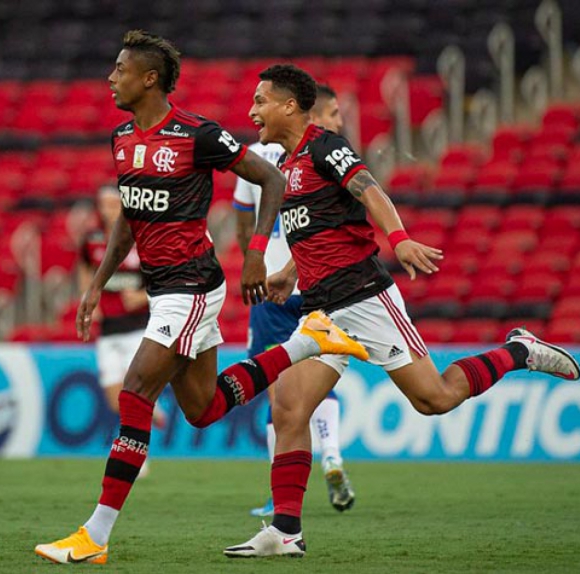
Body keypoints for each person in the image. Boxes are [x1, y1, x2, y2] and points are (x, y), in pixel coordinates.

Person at [35, 33, 368, 565]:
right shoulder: (122, 137)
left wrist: (256, 253)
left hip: (190, 285)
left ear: (149, 79)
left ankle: (95, 535)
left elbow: (272, 178)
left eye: (120, 69)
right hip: (164, 287)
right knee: (203, 408)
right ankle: (307, 344)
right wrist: (96, 284)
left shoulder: (197, 134)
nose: (111, 78)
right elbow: (130, 216)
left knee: (135, 392)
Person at [224, 64, 580, 559]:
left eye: (260, 101)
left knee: (434, 399)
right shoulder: (285, 163)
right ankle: (286, 531)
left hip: (365, 299)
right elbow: (320, 231)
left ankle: (519, 351)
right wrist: (289, 273)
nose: (252, 111)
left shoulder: (325, 146)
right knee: (288, 408)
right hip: (322, 311)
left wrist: (400, 238)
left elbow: (369, 189)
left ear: (289, 106)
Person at [234, 84, 354, 517]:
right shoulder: (331, 158)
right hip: (320, 286)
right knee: (320, 377)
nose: (340, 122)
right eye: (334, 113)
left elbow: (242, 221)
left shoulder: (253, 156)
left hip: (271, 287)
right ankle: (332, 455)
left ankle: (276, 492)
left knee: (277, 389)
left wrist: (255, 262)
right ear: (313, 114)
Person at [79, 185, 166, 477]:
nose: (109, 210)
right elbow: (84, 268)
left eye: (113, 204)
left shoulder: (141, 238)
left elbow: (161, 277)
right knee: (114, 397)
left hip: (138, 328)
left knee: (132, 395)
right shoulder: (92, 240)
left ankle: (137, 456)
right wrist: (88, 296)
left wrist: (142, 297)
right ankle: (153, 409)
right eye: (104, 204)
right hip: (108, 329)